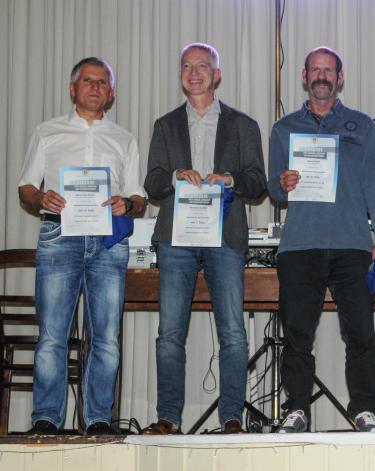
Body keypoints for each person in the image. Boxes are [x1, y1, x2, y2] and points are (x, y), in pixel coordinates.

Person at [142, 43, 267, 435]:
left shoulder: (243, 125)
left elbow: (258, 183)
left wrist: (230, 179)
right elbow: (152, 184)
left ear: (217, 74)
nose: (193, 72)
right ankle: (168, 418)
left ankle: (231, 418)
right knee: (169, 335)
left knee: (232, 333)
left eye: (202, 66)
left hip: (225, 236)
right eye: (186, 66)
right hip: (175, 238)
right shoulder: (165, 125)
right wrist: (175, 176)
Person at [18, 57, 146, 435]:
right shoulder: (47, 132)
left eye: (102, 82)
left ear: (112, 93)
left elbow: (139, 196)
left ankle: (98, 419)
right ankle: (46, 418)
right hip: (59, 236)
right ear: (73, 89)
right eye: (88, 80)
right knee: (52, 334)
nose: (95, 87)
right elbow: (25, 187)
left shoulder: (125, 139)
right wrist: (41, 198)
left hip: (108, 241)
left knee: (106, 337)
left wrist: (128, 204)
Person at [267, 46, 375, 433]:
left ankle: (365, 409)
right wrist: (283, 183)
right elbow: (274, 188)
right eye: (315, 70)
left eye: (328, 70)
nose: (321, 76)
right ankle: (296, 409)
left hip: (352, 244)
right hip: (299, 246)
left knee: (360, 333)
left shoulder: (361, 125)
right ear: (304, 77)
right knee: (297, 334)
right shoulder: (283, 128)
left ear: (340, 78)